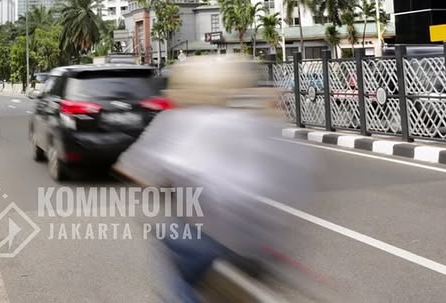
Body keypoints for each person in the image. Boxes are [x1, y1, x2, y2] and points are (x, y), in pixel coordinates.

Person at [113, 53, 320, 302]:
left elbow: (141, 169)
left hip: (207, 238)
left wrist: (153, 181)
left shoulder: (183, 121)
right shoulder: (262, 124)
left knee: (173, 254)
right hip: (262, 243)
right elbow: (300, 175)